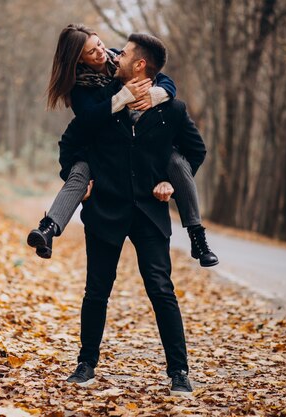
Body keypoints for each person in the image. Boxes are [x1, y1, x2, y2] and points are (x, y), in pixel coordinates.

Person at [58, 32, 207, 396]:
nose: (111, 56)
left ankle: (179, 372)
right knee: (96, 290)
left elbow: (195, 151)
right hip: (105, 208)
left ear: (139, 64)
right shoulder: (101, 102)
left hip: (150, 212)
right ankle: (86, 364)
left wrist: (171, 184)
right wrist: (79, 176)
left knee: (161, 289)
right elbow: (71, 142)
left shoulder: (170, 108)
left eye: (122, 54)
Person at [26, 24, 218, 267]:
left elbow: (160, 75)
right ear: (78, 60)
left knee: (176, 160)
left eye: (99, 44)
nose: (101, 52)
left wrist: (159, 94)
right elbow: (87, 121)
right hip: (102, 148)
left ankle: (197, 236)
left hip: (140, 141)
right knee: (79, 173)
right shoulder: (79, 88)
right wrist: (121, 98)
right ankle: (48, 229)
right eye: (92, 52)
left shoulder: (118, 58)